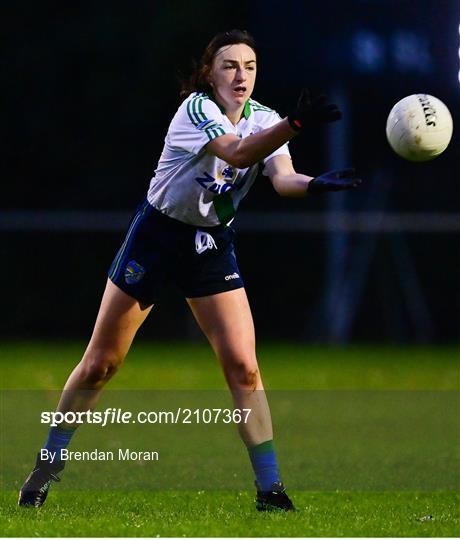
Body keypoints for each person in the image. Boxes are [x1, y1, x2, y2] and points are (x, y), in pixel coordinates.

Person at [18, 29, 361, 512]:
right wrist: (296, 124)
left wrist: (316, 185)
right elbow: (238, 154)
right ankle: (44, 469)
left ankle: (271, 490)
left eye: (250, 66)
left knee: (244, 367)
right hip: (158, 236)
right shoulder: (197, 110)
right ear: (210, 73)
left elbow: (283, 180)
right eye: (229, 65)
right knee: (101, 363)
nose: (241, 75)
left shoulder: (265, 118)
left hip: (209, 245)